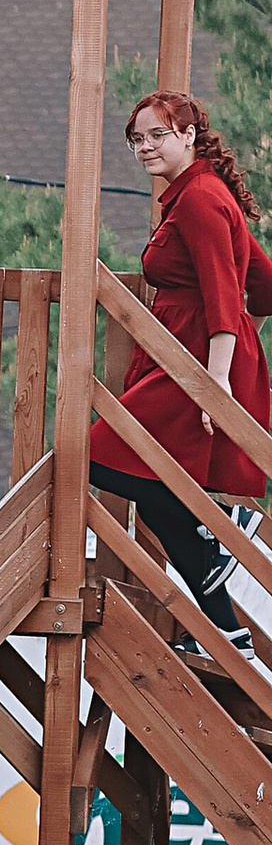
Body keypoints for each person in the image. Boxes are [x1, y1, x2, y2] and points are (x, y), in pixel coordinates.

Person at [93, 91, 271, 658]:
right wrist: (245, 341)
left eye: (157, 135)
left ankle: (225, 517)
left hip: (195, 361)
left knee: (99, 454)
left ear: (190, 135)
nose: (145, 147)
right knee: (152, 490)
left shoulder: (198, 199)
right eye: (137, 138)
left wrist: (218, 380)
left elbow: (225, 295)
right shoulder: (195, 195)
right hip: (192, 353)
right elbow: (263, 283)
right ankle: (227, 632)